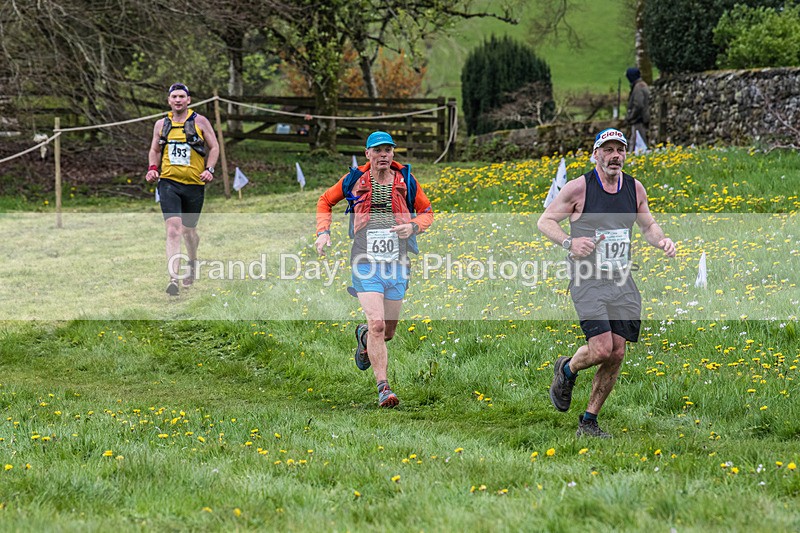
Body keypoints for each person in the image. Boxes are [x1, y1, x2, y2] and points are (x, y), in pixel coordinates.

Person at [537, 128, 676, 437]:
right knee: (601, 349)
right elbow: (545, 221)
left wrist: (661, 241)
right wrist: (569, 244)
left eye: (620, 149)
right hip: (587, 279)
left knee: (617, 352)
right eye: (609, 149)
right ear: (596, 154)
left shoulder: (634, 188)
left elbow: (648, 223)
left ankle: (588, 421)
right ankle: (567, 369)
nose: (615, 155)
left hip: (621, 278)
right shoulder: (578, 189)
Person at [315, 131, 433, 408]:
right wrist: (323, 232)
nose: (383, 155)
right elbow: (325, 200)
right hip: (365, 261)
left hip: (398, 262)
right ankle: (383, 388)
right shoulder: (354, 180)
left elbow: (428, 212)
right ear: (367, 154)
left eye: (388, 150)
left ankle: (364, 337)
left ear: (393, 154)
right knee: (377, 323)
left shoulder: (407, 181)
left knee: (387, 332)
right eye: (377, 150)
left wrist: (413, 226)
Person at [145, 83, 219, 296]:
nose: (177, 100)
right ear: (169, 100)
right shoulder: (161, 124)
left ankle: (193, 262)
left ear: (188, 100)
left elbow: (214, 147)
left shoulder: (200, 121)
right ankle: (173, 278)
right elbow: (154, 149)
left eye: (181, 97)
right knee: (172, 229)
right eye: (174, 97)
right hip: (169, 182)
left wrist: (210, 170)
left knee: (189, 231)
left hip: (194, 184)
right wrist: (152, 168)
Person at [624, 67, 650, 147]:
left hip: (639, 120)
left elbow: (638, 105)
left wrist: (630, 117)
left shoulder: (638, 87)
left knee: (638, 142)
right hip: (642, 119)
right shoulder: (643, 85)